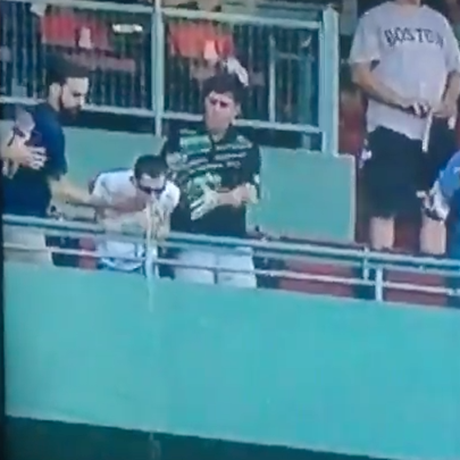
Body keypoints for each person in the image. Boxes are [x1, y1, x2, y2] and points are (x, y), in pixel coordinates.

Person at [349, 0, 460, 256]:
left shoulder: (437, 22)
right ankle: (380, 279)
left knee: (437, 209)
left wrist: (450, 101)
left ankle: (431, 281)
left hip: (434, 129)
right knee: (384, 208)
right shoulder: (375, 18)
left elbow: (456, 69)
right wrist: (400, 101)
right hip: (391, 127)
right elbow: (359, 73)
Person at [1, 54, 133, 264]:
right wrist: (104, 202)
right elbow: (59, 188)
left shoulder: (29, 116)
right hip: (23, 226)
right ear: (55, 89)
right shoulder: (51, 129)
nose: (81, 103)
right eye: (75, 95)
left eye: (83, 96)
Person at [163, 73, 261, 288]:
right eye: (212, 102)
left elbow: (250, 192)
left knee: (243, 302)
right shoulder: (180, 138)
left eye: (223, 104)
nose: (216, 109)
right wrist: (229, 195)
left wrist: (214, 198)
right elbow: (173, 187)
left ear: (236, 111)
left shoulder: (247, 147)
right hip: (190, 240)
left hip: (233, 243)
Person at [92, 155, 180, 273]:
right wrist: (132, 221)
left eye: (158, 191)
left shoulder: (171, 194)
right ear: (134, 181)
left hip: (146, 262)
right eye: (147, 190)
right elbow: (101, 222)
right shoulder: (111, 183)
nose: (152, 196)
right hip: (110, 260)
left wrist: (156, 227)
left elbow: (164, 230)